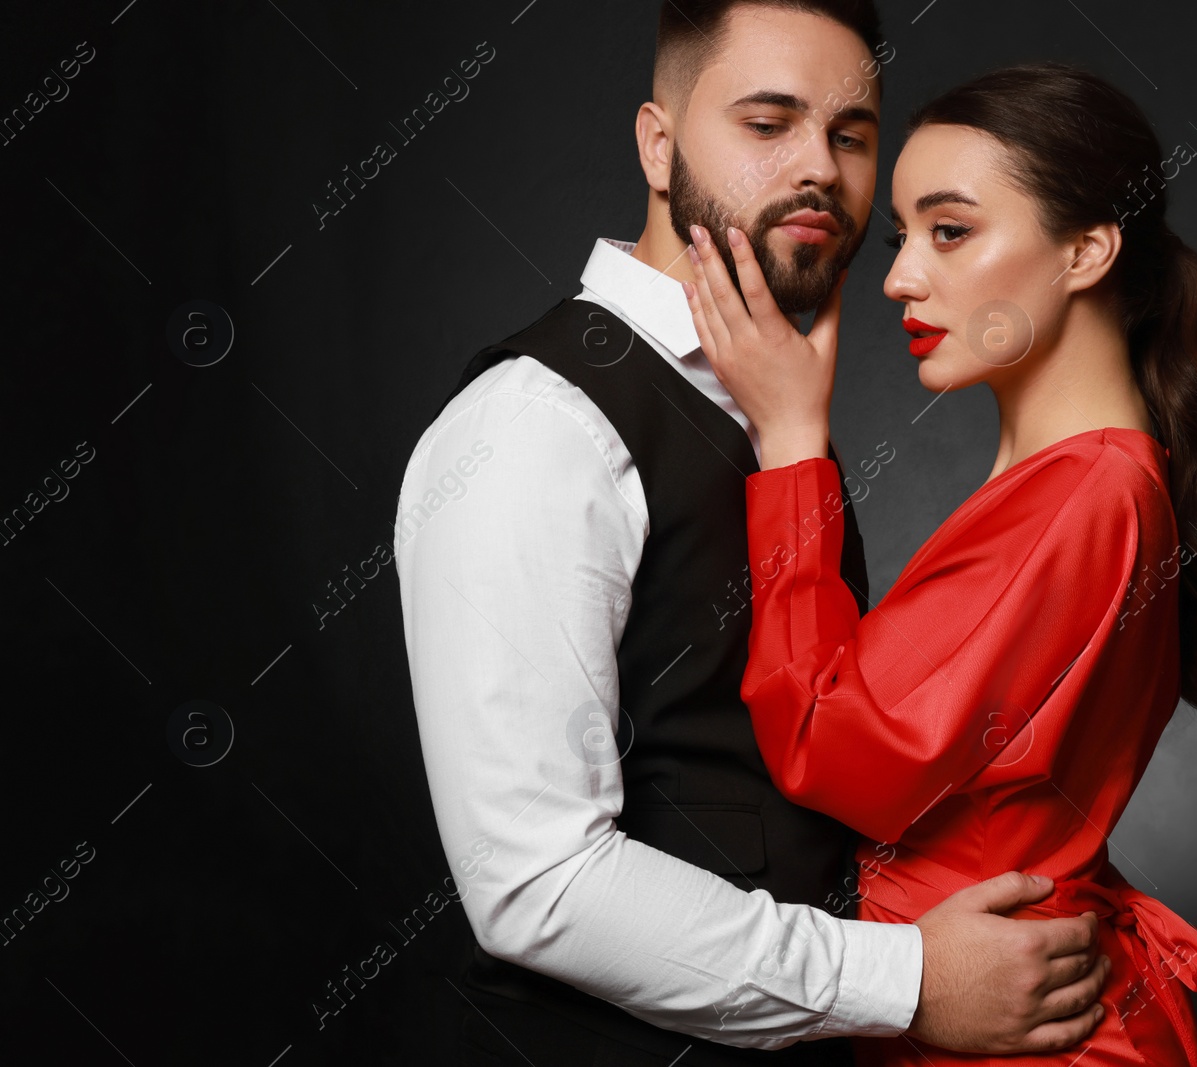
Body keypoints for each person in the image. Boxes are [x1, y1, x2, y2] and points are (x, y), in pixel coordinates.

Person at [394, 5, 1111, 1065]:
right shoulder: (531, 427)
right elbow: (535, 883)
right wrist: (907, 978)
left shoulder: (771, 411)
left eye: (851, 134)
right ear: (657, 142)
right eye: (767, 123)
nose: (818, 167)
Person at [680, 61, 1197, 1066]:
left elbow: (827, 749)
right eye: (905, 235)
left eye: (949, 232)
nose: (900, 276)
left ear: (1087, 248)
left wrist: (788, 438)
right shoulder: (1083, 483)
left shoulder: (1082, 496)